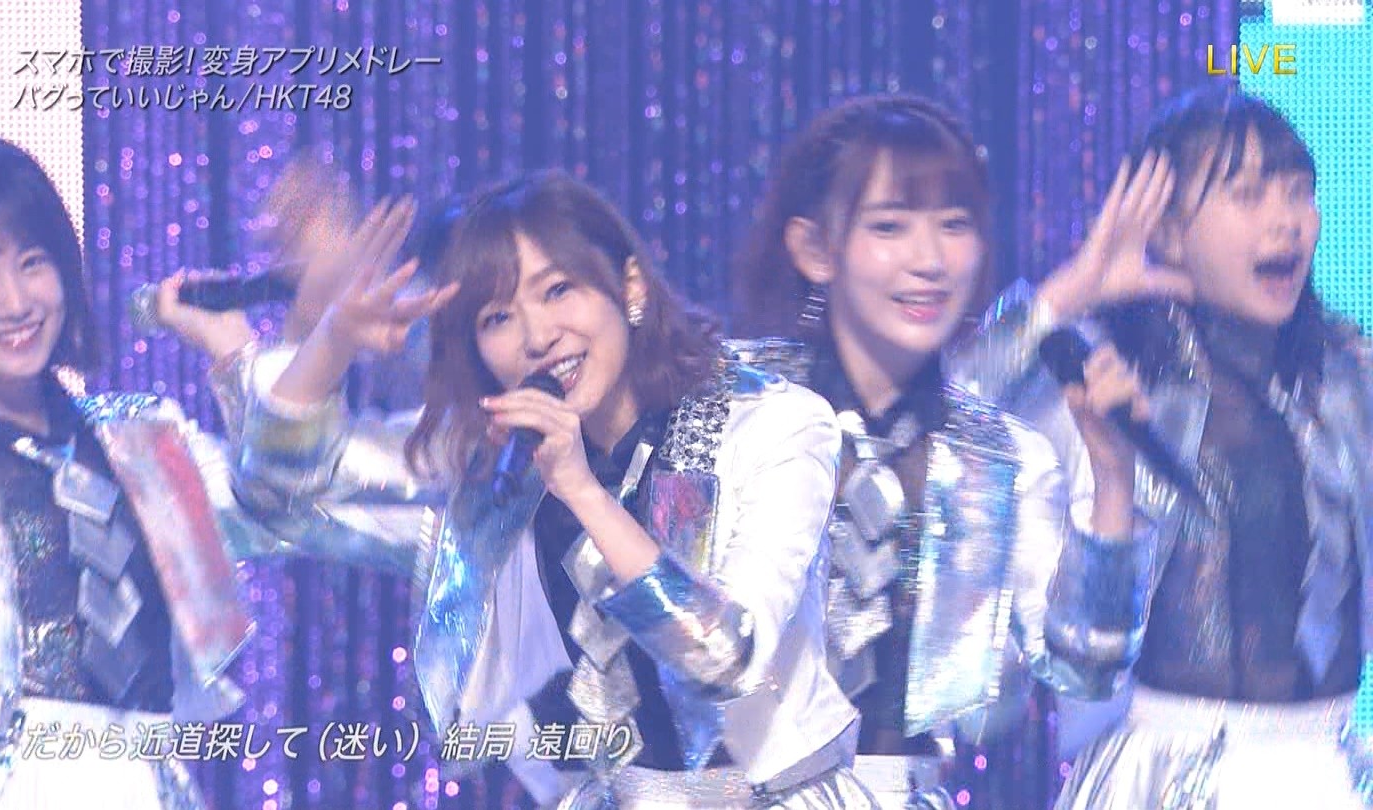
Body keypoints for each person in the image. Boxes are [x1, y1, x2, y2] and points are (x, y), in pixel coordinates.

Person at [231, 170, 879, 807]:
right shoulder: (499, 466)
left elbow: (724, 658)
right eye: (497, 317)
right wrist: (331, 338)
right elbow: (279, 499)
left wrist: (583, 492)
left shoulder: (772, 424)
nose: (538, 337)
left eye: (558, 290)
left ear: (629, 284)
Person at [730, 94, 1161, 808]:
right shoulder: (734, 409)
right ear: (814, 249)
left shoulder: (998, 456)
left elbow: (1087, 668)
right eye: (890, 226)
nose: (929, 260)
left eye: (954, 225)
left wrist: (1115, 480)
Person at [953, 85, 1373, 808]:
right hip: (1160, 770)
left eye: (1298, 192)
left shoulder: (1349, 378)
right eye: (1247, 195)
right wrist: (1070, 292)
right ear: (1170, 234)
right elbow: (947, 416)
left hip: (1325, 767)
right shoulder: (1102, 376)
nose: (1286, 221)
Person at [0, 133, 268, 808]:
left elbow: (281, 505)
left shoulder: (145, 438)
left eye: (32, 263)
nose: (15, 301)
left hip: (146, 778)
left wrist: (237, 354)